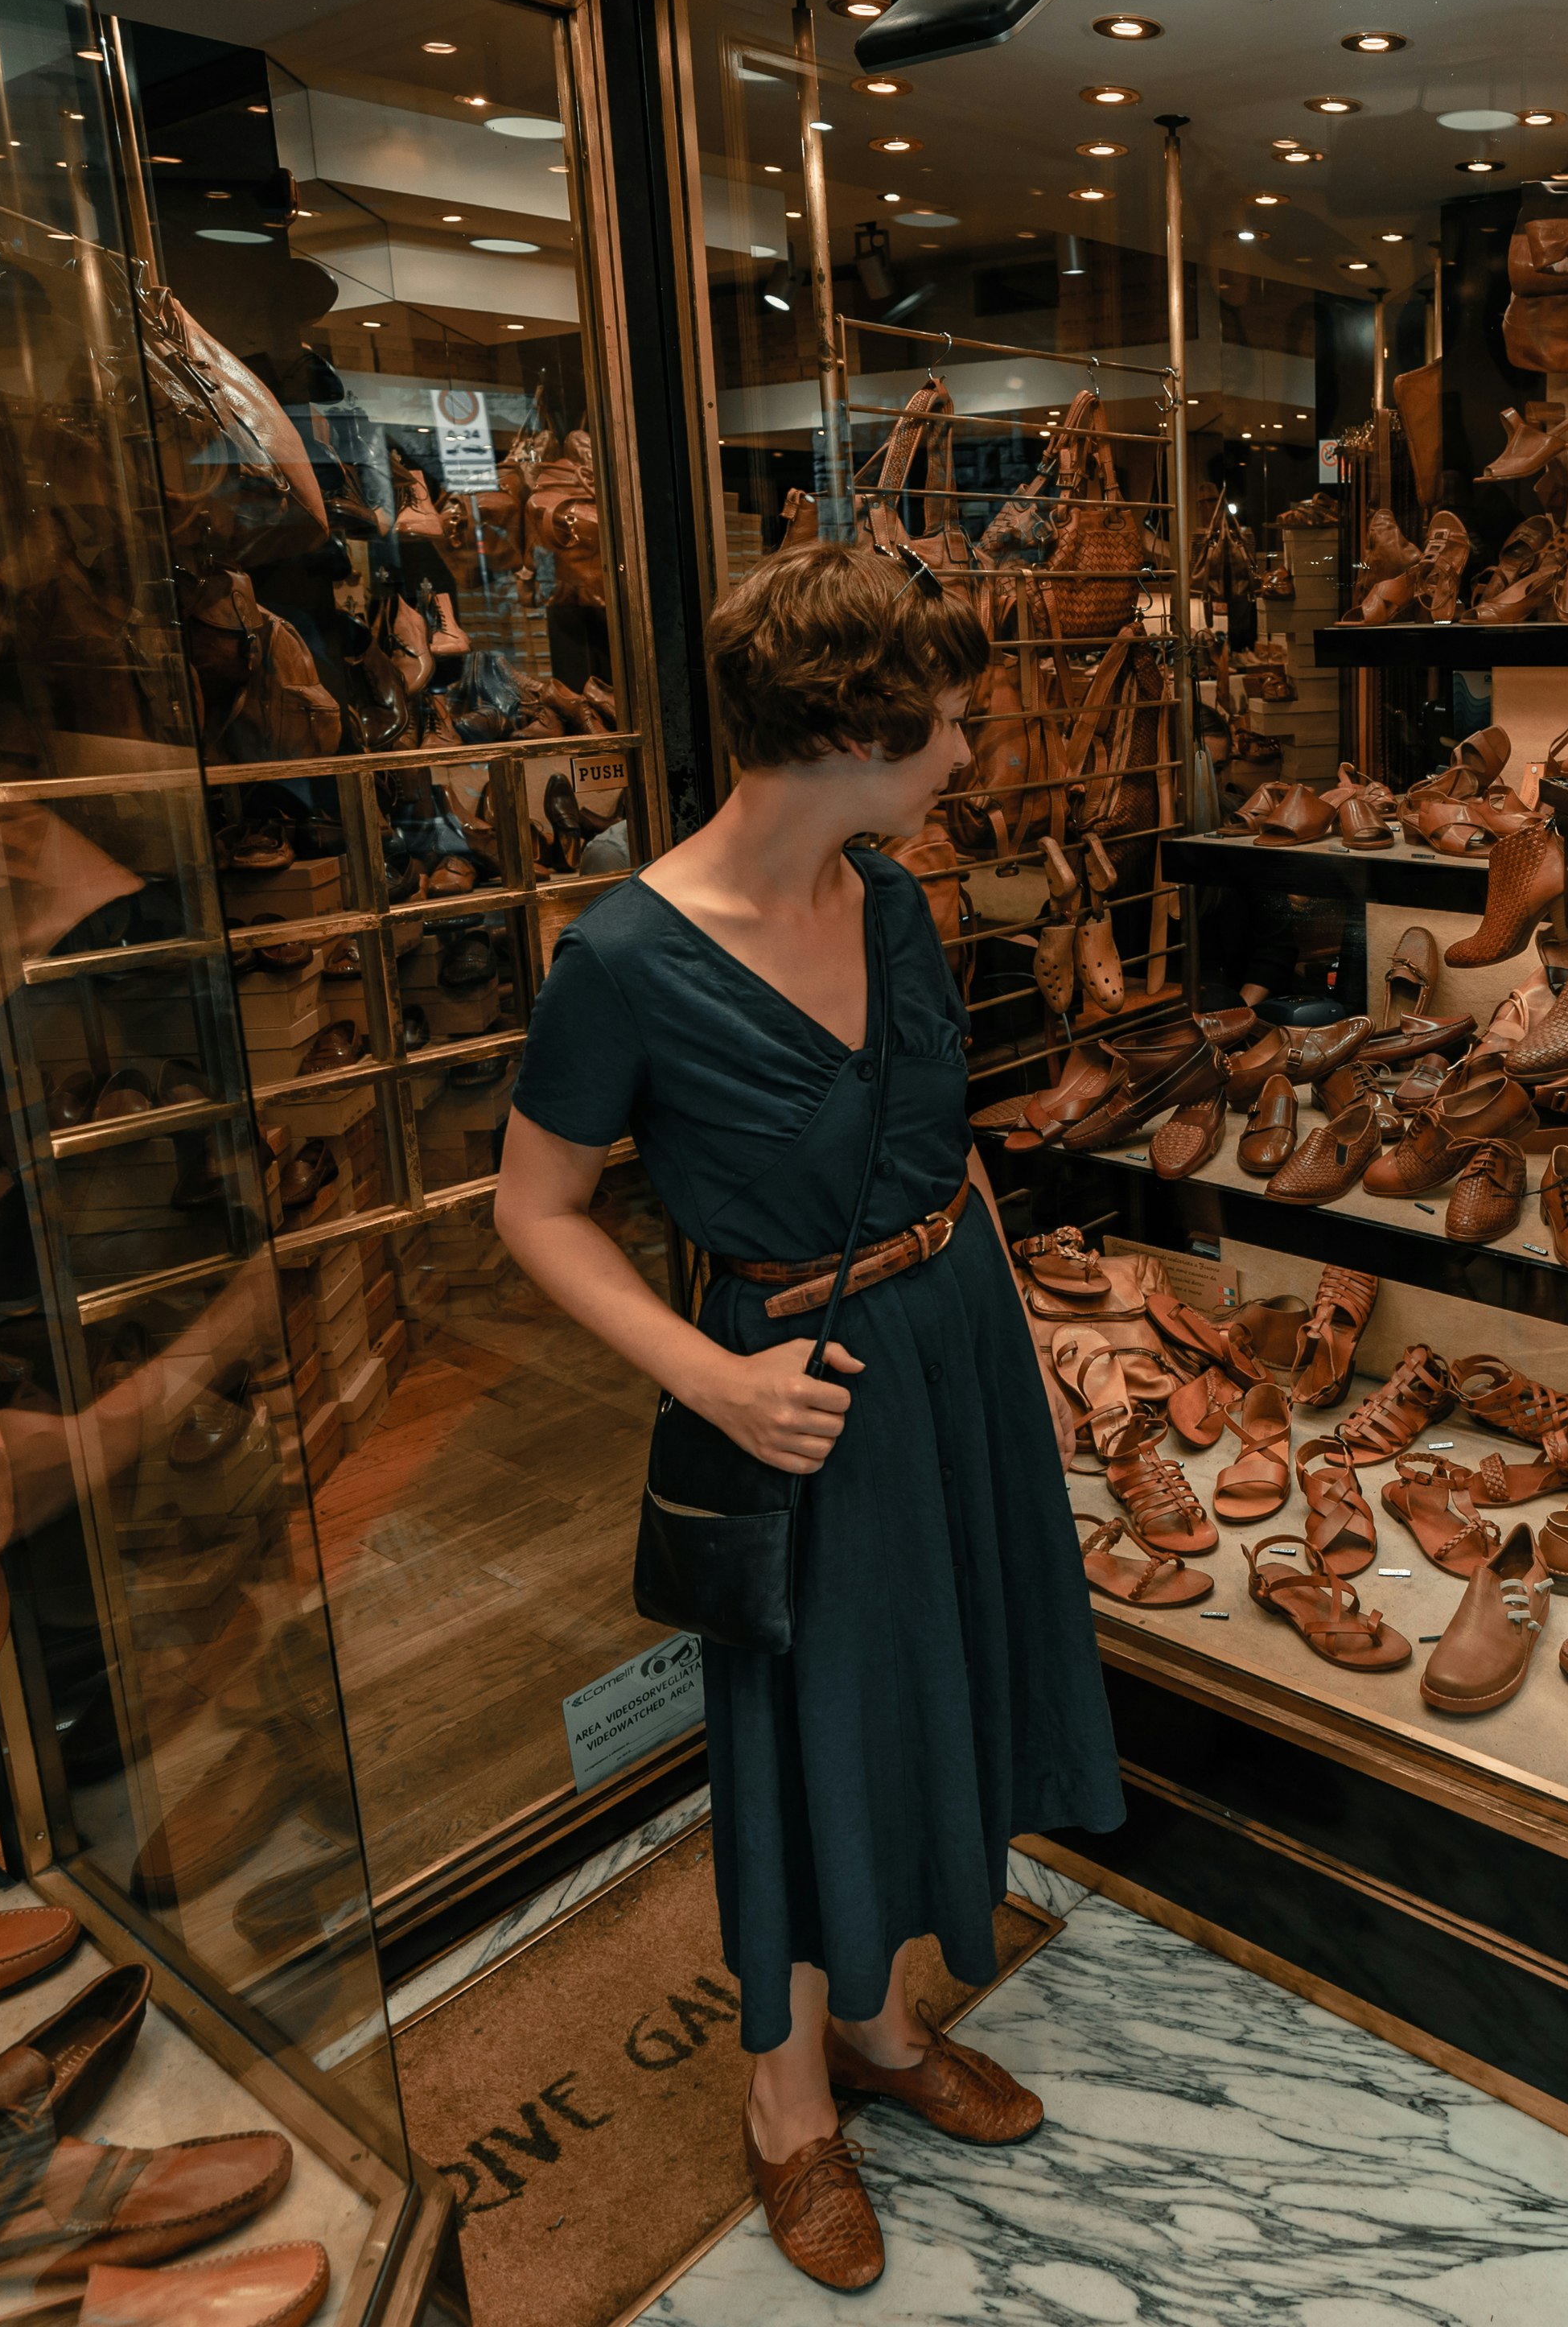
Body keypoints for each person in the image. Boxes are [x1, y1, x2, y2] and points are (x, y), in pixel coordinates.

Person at [493, 539, 1121, 2291]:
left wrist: (1034, 1370)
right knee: (804, 1735)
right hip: (795, 1385)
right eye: (954, 727)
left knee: (949, 1688)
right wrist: (707, 1375)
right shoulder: (622, 957)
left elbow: (956, 1150)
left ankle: (887, 2022)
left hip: (956, 1344)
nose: (974, 757)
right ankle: (787, 2104)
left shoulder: (895, 899)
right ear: (856, 728)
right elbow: (531, 1211)